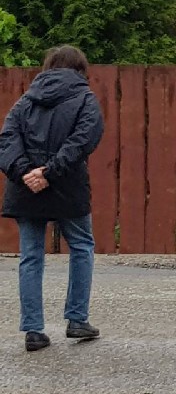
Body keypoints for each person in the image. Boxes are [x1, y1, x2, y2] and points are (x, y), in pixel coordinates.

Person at [0, 45, 105, 352]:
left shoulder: (25, 101)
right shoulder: (85, 99)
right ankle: (76, 320)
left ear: (47, 67)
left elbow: (7, 139)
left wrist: (25, 173)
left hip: (26, 189)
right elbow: (83, 140)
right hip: (67, 186)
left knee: (31, 256)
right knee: (82, 247)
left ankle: (33, 330)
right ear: (80, 68)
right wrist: (50, 172)